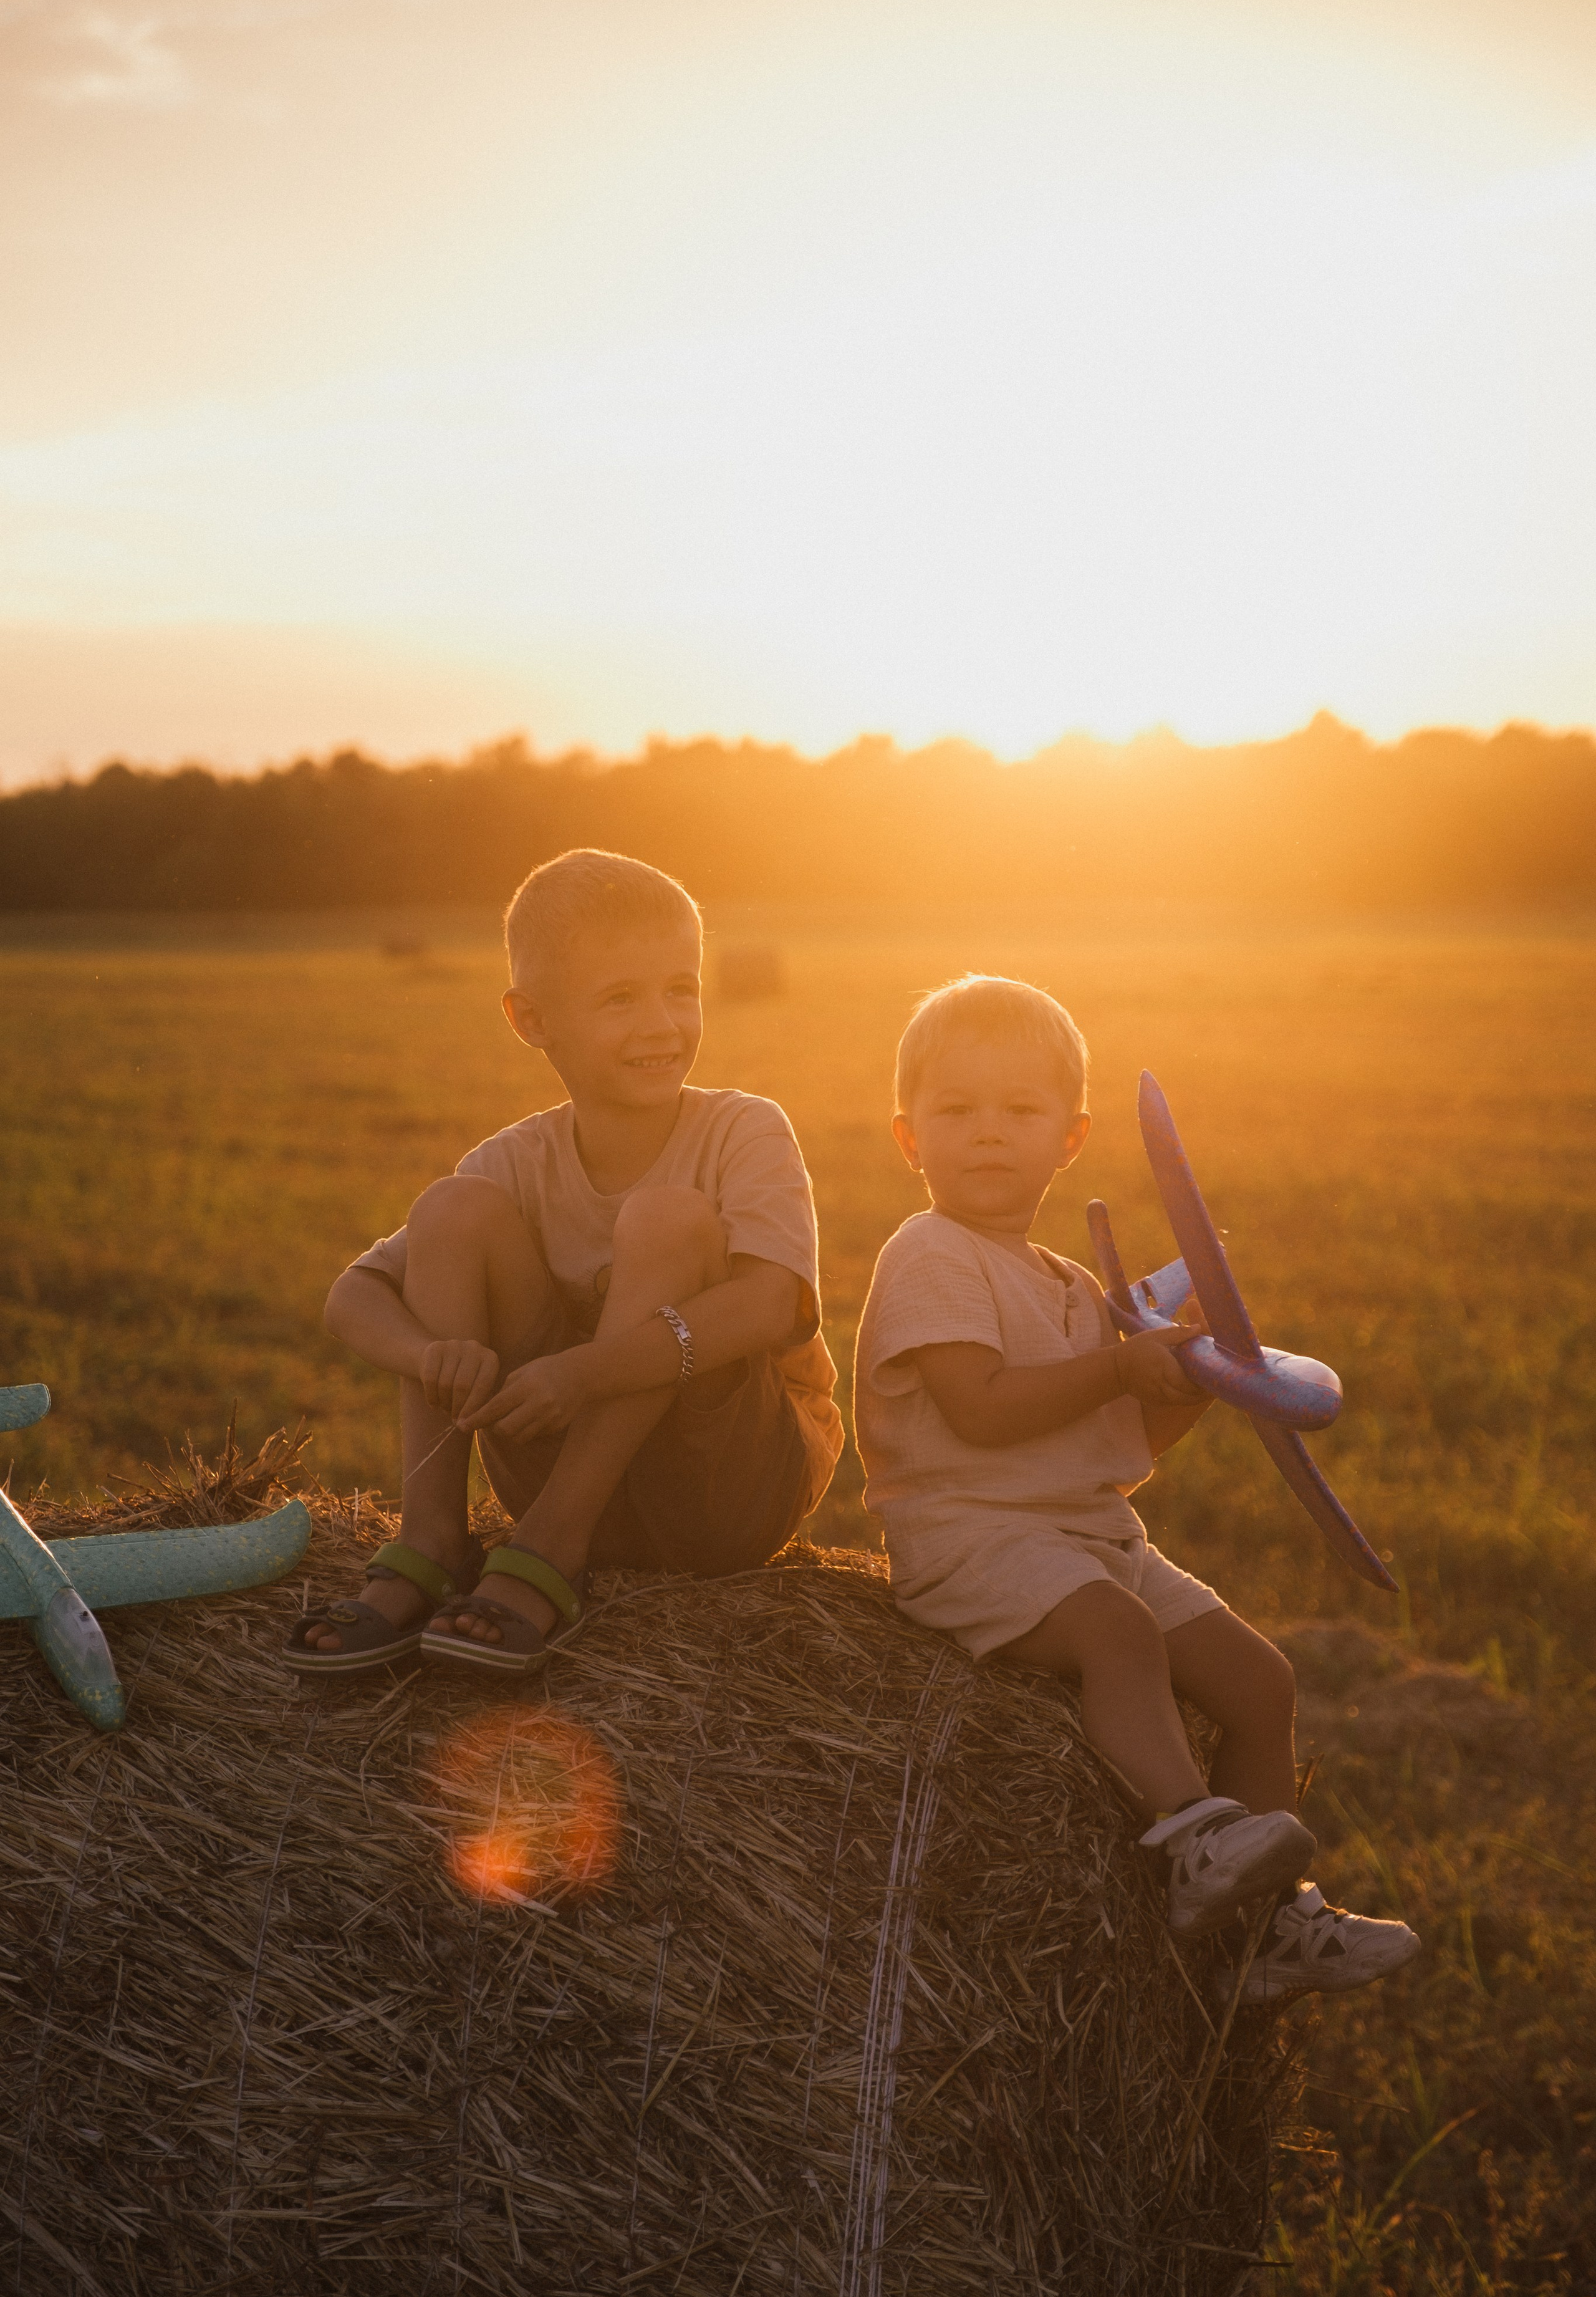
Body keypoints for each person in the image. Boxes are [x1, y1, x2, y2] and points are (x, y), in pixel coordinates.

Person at [853, 974, 1420, 2006]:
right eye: (957, 1112)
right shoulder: (928, 1252)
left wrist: (1195, 1379)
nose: (988, 1135)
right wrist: (1121, 1364)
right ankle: (1193, 1839)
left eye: (1018, 1112)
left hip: (1090, 1531)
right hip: (969, 1537)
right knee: (1118, 1634)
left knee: (1261, 1681)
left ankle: (1272, 1927)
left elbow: (1124, 1451)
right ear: (909, 1138)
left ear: (1067, 1140)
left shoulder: (1073, 1285)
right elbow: (979, 1409)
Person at [286, 849, 842, 1680]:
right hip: (558, 1457)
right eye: (621, 998)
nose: (662, 1023)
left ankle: (549, 1547)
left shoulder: (744, 1130)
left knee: (669, 1220)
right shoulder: (512, 1161)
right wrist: (428, 1354)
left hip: (725, 1487)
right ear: (532, 1020)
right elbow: (353, 1297)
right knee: (450, 1209)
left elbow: (768, 1306)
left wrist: (585, 1373)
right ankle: (431, 1537)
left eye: (681, 989)